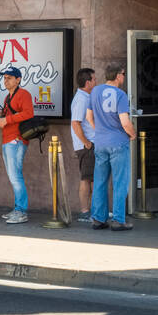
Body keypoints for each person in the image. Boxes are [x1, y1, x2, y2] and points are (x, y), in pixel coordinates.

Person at [87, 64, 136, 230]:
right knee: (120, 182)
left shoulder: (95, 91)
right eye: (123, 74)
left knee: (100, 181)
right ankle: (118, 220)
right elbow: (124, 121)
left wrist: (100, 131)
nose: (124, 77)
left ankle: (98, 219)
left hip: (100, 142)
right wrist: (132, 134)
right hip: (118, 142)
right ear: (117, 76)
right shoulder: (121, 95)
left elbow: (89, 117)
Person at [0, 65, 35, 224]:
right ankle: (18, 208)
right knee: (13, 176)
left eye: (9, 78)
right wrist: (0, 119)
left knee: (15, 176)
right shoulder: (7, 97)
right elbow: (9, 115)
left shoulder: (24, 94)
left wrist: (7, 120)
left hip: (16, 140)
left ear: (18, 79)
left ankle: (21, 211)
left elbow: (28, 113)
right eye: (4, 78)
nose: (6, 80)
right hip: (7, 139)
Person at [69, 67, 96, 222]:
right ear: (88, 82)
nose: (95, 81)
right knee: (87, 179)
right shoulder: (81, 99)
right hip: (86, 147)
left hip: (90, 145)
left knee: (93, 178)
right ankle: (85, 212)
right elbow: (75, 123)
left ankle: (95, 210)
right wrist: (86, 143)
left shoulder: (86, 97)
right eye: (94, 79)